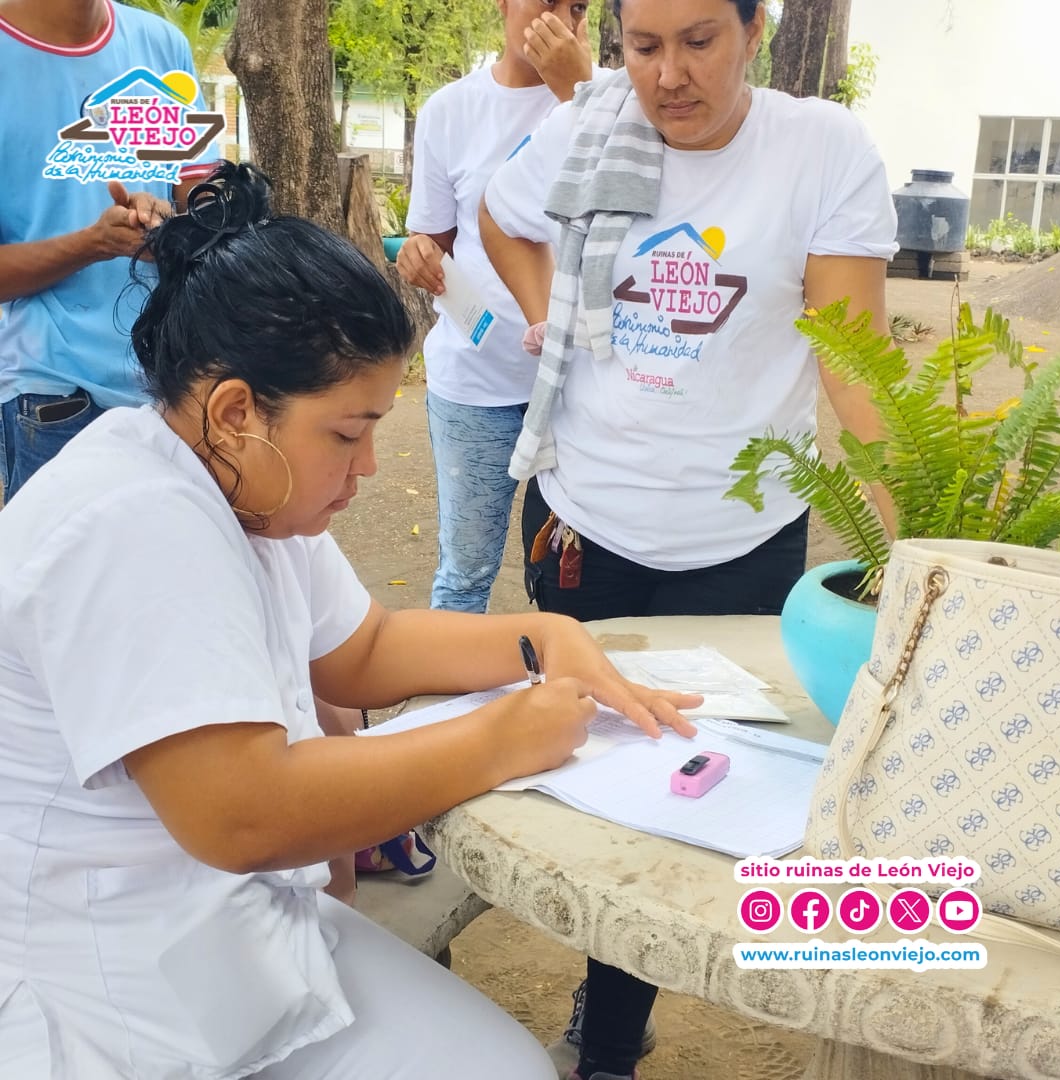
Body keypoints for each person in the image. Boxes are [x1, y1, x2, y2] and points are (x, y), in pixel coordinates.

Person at [0, 161, 703, 1080]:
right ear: (236, 410)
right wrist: (502, 737)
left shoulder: (240, 485)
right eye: (347, 433)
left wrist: (540, 642)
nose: (368, 466)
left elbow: (361, 649)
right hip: (115, 991)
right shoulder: (132, 521)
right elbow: (243, 815)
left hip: (228, 933)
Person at [478, 1, 899, 1077]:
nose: (669, 75)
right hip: (586, 525)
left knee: (701, 781)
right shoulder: (589, 124)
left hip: (740, 539)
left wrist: (909, 547)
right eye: (644, 45)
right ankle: (611, 1018)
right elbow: (500, 213)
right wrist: (547, 318)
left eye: (700, 41)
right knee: (588, 774)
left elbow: (854, 364)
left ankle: (611, 1036)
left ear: (755, 30)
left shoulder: (820, 151)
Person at [395, 0, 593, 612]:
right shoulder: (451, 111)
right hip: (477, 385)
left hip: (584, 387)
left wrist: (581, 92)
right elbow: (435, 242)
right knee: (467, 572)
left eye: (577, 7)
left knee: (582, 573)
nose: (557, 18)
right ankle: (456, 704)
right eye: (544, 2)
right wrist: (418, 256)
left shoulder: (613, 103)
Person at [0, 0, 218, 500]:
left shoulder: (162, 45)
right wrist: (93, 244)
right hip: (55, 395)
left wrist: (175, 223)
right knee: (64, 578)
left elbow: (198, 194)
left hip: (175, 387)